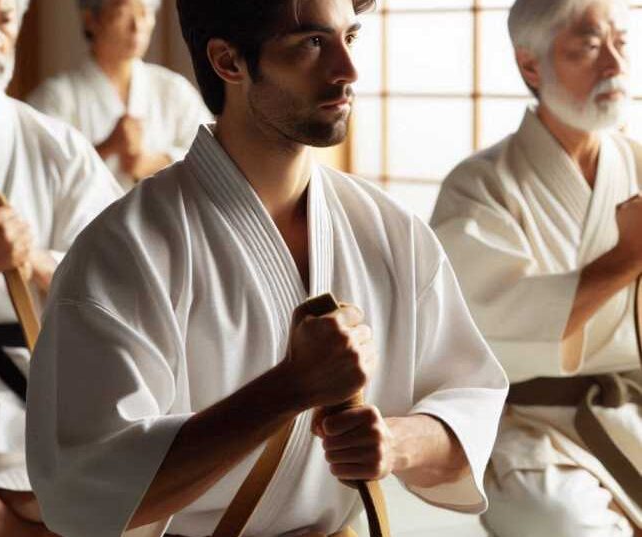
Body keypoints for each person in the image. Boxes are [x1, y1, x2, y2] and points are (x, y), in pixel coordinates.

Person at [26, 1, 509, 536]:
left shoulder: (392, 232)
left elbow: (471, 399)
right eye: (311, 44)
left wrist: (395, 443)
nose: (347, 70)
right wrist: (287, 389)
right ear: (228, 61)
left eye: (350, 37)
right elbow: (83, 495)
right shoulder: (125, 251)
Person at [430, 1, 641, 535]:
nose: (615, 64)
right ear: (531, 65)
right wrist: (624, 261)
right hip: (528, 422)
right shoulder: (480, 186)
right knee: (560, 519)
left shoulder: (637, 163)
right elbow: (486, 325)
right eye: (590, 47)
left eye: (620, 41)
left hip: (632, 406)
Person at [0, 0, 122, 535]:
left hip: (33, 368)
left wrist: (34, 260)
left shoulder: (57, 147)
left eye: (4, 18)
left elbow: (123, 283)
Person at [28, 0, 211, 191]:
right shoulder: (55, 98)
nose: (137, 26)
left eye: (144, 13)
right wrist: (107, 147)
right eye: (123, 13)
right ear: (91, 19)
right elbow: (38, 175)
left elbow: (212, 157)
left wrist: (150, 162)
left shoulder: (174, 90)